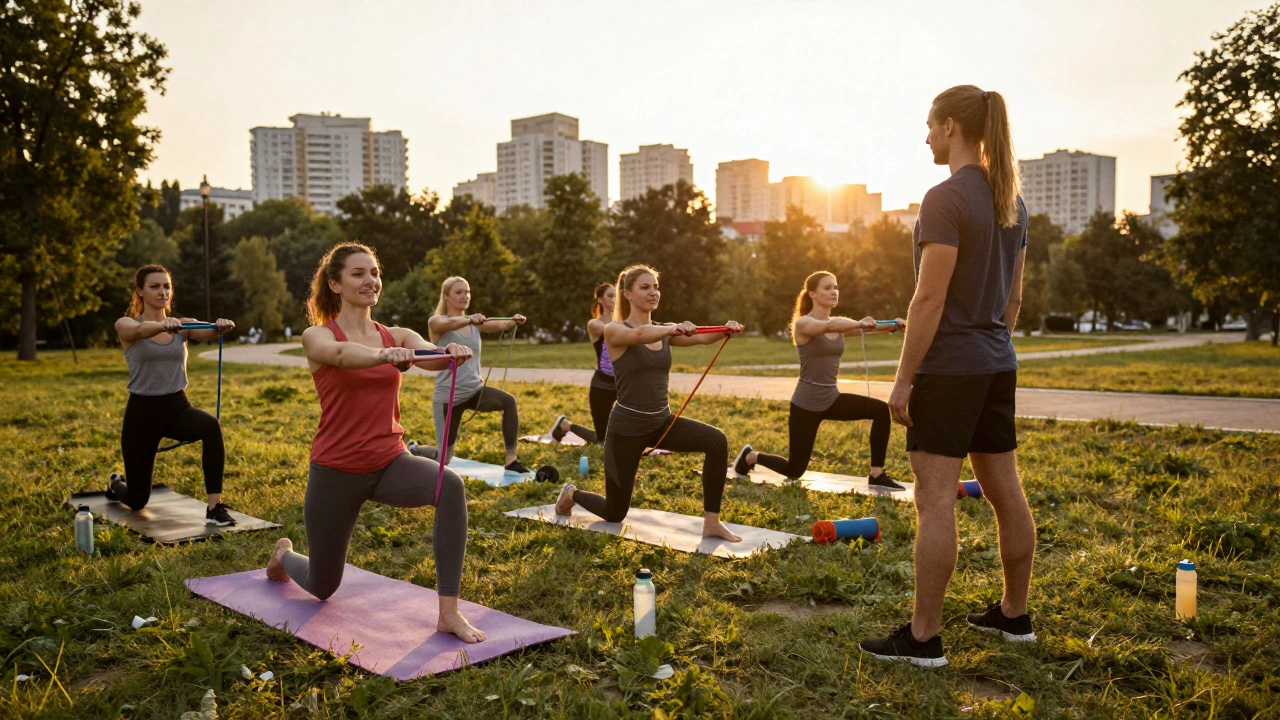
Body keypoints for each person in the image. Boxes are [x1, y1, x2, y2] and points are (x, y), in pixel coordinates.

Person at [859, 85, 1034, 668]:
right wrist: (994, 341)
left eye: (930, 125)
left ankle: (924, 638)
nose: (926, 135)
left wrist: (904, 380)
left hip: (951, 368)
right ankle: (1014, 615)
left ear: (953, 127)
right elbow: (1012, 298)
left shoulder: (945, 198)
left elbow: (928, 299)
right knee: (1006, 492)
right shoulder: (1012, 200)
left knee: (935, 501)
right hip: (995, 363)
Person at [264, 242, 484, 643]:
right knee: (323, 586)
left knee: (449, 485)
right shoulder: (316, 336)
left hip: (389, 463)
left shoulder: (396, 334)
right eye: (358, 274)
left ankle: (448, 613)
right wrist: (383, 356)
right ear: (335, 283)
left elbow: (429, 356)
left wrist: (449, 351)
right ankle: (284, 556)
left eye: (374, 273)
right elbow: (345, 355)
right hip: (335, 471)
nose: (370, 281)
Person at [553, 265, 745, 542]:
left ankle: (712, 522)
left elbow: (702, 337)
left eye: (655, 286)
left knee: (717, 441)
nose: (653, 292)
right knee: (615, 512)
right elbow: (640, 335)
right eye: (645, 287)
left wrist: (726, 329)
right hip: (626, 430)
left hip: (661, 423)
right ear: (627, 294)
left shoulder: (663, 331)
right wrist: (672, 328)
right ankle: (572, 493)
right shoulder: (614, 330)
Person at [731, 271, 905, 489]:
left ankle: (877, 474)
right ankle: (750, 456)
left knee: (879, 410)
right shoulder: (804, 324)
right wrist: (861, 323)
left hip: (832, 399)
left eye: (835, 287)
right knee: (795, 471)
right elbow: (831, 326)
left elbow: (872, 327)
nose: (833, 291)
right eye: (827, 288)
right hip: (806, 404)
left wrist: (894, 325)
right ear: (812, 293)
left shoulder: (841, 325)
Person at [108, 264, 236, 526]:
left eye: (166, 286)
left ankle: (214, 508)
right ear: (140, 292)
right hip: (141, 414)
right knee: (137, 500)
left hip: (176, 407)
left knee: (211, 427)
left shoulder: (183, 325)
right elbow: (139, 331)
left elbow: (207, 331)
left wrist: (220, 326)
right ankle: (115, 484)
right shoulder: (127, 324)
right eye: (154, 286)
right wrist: (161, 326)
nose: (162, 291)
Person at [425, 277, 529, 472]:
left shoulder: (473, 323)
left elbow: (498, 325)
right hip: (448, 396)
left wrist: (513, 320)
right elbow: (443, 323)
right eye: (459, 292)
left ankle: (511, 460)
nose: (465, 296)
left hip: (475, 391)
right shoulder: (436, 321)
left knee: (509, 401)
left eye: (467, 292)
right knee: (444, 458)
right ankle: (415, 450)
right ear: (446, 296)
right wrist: (469, 318)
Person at [547, 283, 616, 443]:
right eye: (610, 296)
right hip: (602, 385)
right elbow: (612, 332)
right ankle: (566, 426)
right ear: (600, 299)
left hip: (623, 384)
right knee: (602, 440)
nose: (614, 299)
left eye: (616, 296)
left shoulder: (625, 323)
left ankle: (565, 425)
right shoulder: (594, 324)